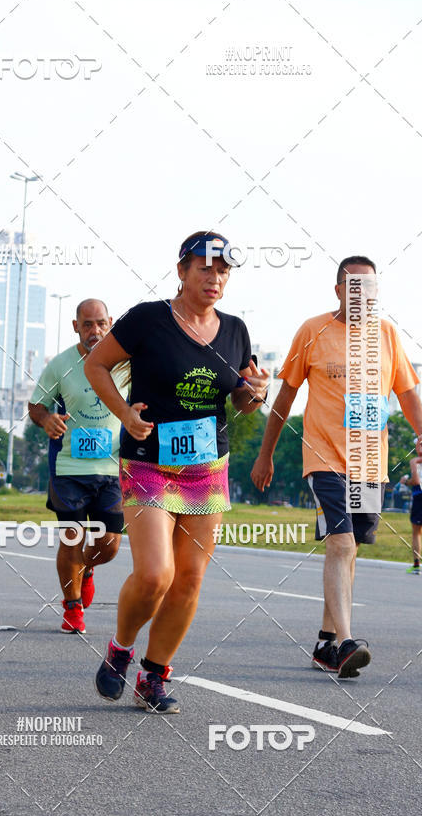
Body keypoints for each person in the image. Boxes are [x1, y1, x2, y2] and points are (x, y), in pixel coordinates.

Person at [85, 232, 269, 713]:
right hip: (148, 460)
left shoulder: (236, 330)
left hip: (207, 465)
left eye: (223, 270)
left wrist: (255, 392)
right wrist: (125, 414)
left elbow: (241, 401)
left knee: (188, 579)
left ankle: (154, 676)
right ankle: (121, 648)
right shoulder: (149, 318)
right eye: (204, 268)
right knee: (154, 573)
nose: (214, 278)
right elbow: (97, 365)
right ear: (182, 270)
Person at [251, 256, 422, 678]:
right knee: (341, 544)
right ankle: (347, 644)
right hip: (325, 457)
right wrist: (266, 453)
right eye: (356, 287)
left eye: (372, 287)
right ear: (339, 291)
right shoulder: (312, 330)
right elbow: (285, 398)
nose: (365, 295)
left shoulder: (387, 335)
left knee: (350, 552)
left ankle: (324, 642)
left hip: (370, 462)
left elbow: (407, 393)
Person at [28, 299, 127, 634]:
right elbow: (36, 406)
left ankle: (86, 569)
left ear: (110, 322)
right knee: (72, 536)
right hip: (68, 466)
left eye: (100, 323)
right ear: (75, 327)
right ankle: (72, 607)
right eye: (87, 324)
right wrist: (47, 420)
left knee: (110, 544)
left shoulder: (126, 365)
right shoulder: (61, 365)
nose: (94, 331)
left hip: (113, 469)